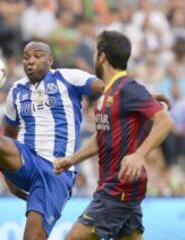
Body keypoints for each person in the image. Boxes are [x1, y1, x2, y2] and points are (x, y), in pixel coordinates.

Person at [0, 41, 104, 239]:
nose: (30, 61)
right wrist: (9, 177)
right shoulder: (16, 91)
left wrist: (135, 98)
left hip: (57, 171)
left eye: (37, 56)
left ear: (50, 60)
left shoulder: (68, 77)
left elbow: (105, 87)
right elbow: (9, 135)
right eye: (26, 57)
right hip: (26, 159)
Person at [53, 30, 174, 240]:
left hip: (119, 187)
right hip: (121, 184)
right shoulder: (110, 93)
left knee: (73, 238)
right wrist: (72, 159)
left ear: (102, 56)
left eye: (94, 53)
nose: (93, 58)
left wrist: (140, 154)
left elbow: (165, 121)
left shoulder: (128, 88)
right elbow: (102, 136)